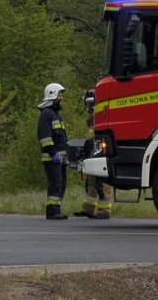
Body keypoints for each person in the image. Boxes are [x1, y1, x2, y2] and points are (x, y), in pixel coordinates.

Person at [74, 89, 112, 220]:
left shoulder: (103, 112)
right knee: (91, 181)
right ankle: (89, 209)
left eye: (90, 105)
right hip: (93, 149)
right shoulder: (93, 116)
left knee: (102, 182)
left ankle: (104, 210)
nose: (89, 108)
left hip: (102, 150)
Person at [37, 83, 68, 221]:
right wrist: (52, 153)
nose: (61, 98)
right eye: (59, 95)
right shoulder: (46, 114)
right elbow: (45, 138)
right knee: (55, 182)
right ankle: (52, 211)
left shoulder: (56, 114)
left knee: (61, 183)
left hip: (60, 158)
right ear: (53, 96)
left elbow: (62, 137)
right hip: (51, 158)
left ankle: (57, 209)